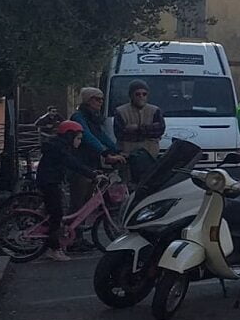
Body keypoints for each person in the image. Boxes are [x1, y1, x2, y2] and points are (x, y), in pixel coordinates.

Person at [37, 121, 100, 262]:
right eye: (78, 139)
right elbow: (72, 163)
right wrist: (92, 174)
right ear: (69, 136)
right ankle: (54, 249)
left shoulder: (58, 146)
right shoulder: (60, 149)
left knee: (55, 209)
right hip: (50, 182)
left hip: (50, 181)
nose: (79, 142)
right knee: (56, 215)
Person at [112, 79, 165, 172]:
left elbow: (159, 130)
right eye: (137, 94)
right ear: (131, 95)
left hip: (150, 157)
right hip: (127, 158)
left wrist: (137, 128)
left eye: (144, 94)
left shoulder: (155, 110)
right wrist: (149, 131)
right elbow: (120, 134)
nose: (141, 96)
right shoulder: (120, 111)